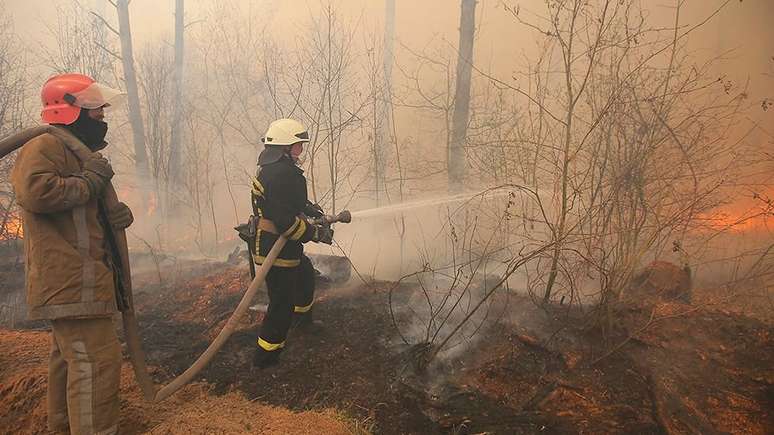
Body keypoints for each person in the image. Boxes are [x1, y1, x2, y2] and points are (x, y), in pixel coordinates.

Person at [11, 73, 132, 434]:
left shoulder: (75, 152)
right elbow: (35, 192)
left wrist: (115, 215)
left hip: (82, 281)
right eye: (95, 110)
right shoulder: (45, 146)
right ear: (69, 109)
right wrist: (91, 182)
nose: (102, 117)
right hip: (69, 282)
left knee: (72, 361)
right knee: (96, 363)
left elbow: (81, 215)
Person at [250, 118, 333, 369]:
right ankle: (266, 358)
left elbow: (283, 203)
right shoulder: (283, 174)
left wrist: (310, 210)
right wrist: (315, 233)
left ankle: (301, 322)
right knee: (281, 303)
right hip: (275, 246)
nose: (301, 150)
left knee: (305, 275)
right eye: (298, 145)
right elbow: (286, 222)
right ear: (285, 147)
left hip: (275, 243)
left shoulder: (274, 169)